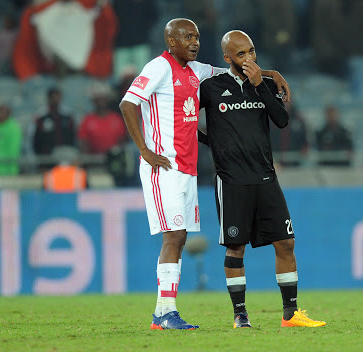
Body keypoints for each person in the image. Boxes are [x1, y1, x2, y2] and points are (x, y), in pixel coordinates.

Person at [119, 18, 291, 331]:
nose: (194, 42)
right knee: (173, 236)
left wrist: (271, 73)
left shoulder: (197, 71)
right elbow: (128, 103)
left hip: (186, 168)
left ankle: (162, 313)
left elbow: (235, 72)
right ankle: (166, 312)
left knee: (180, 237)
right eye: (187, 37)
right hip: (163, 165)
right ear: (171, 41)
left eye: (197, 36)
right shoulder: (158, 67)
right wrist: (144, 150)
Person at [198, 30, 326, 329]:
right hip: (232, 180)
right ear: (228, 58)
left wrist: (261, 84)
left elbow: (282, 120)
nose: (249, 58)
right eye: (241, 54)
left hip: (266, 176)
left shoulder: (265, 85)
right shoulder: (212, 88)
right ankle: (240, 315)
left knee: (286, 243)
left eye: (252, 51)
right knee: (236, 248)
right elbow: (183, 119)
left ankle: (290, 314)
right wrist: (212, 142)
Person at [79, 82, 127, 154]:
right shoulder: (87, 120)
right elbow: (83, 142)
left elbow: (122, 141)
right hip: (93, 160)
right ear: (93, 100)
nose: (101, 101)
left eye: (103, 98)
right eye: (98, 99)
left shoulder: (117, 119)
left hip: (114, 159)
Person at [33, 87, 76, 158]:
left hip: (65, 157)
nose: (55, 100)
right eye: (52, 97)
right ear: (48, 98)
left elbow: (74, 136)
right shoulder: (40, 116)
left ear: (61, 97)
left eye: (57, 97)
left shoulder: (68, 116)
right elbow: (34, 138)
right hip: (46, 159)